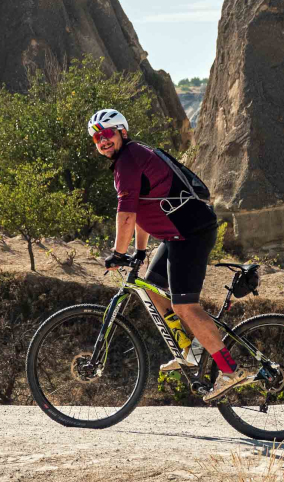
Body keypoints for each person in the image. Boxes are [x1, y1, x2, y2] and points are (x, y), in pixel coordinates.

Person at [89, 108, 250, 402]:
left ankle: (230, 370)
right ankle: (188, 350)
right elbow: (140, 212)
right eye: (97, 138)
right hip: (175, 234)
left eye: (107, 134)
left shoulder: (128, 160)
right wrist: (138, 252)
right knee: (152, 289)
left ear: (122, 133)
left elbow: (125, 214)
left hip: (191, 232)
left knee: (185, 306)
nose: (103, 141)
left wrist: (117, 253)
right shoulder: (131, 157)